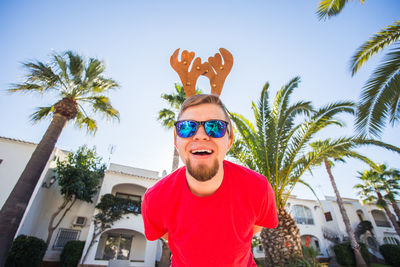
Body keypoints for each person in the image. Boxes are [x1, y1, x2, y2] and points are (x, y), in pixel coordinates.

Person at [142, 94, 278, 267]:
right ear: (176, 141)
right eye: (186, 127)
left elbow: (253, 229)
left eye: (215, 127)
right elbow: (168, 237)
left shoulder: (258, 189)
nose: (200, 136)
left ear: (229, 140)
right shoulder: (155, 199)